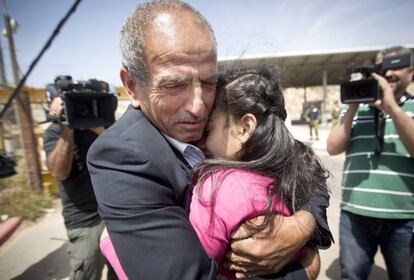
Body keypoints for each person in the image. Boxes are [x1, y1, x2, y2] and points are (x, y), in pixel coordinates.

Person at [87, 1, 332, 279]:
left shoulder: (223, 103)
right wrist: (306, 270)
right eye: (174, 84)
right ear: (132, 86)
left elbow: (299, 159)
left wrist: (303, 224)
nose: (198, 106)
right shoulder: (121, 156)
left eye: (208, 82)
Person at [327, 46, 414, 280]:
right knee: (352, 274)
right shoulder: (357, 108)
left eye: (396, 67)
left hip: (404, 219)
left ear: (411, 73)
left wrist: (393, 109)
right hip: (355, 215)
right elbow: (332, 147)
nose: (388, 74)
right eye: (382, 68)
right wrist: (353, 105)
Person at [43, 95, 116, 280]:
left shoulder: (102, 126)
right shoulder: (54, 132)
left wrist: (98, 129)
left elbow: (125, 154)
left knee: (120, 272)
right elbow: (59, 172)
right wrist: (67, 128)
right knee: (87, 273)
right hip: (84, 221)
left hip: (114, 214)